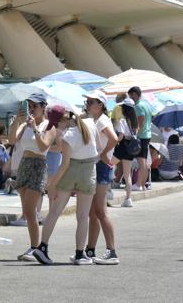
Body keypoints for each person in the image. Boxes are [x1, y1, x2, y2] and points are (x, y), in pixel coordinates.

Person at [33, 110, 99, 265]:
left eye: (56, 125)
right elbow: (99, 146)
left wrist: (52, 184)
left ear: (62, 122)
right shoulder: (90, 124)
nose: (56, 128)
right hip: (89, 169)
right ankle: (79, 254)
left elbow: (65, 164)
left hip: (70, 170)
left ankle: (42, 247)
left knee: (55, 211)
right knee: (83, 216)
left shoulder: (67, 136)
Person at [8, 93, 58, 262]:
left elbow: (44, 145)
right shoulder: (25, 125)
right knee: (27, 212)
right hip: (24, 164)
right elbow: (12, 140)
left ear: (43, 107)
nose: (32, 109)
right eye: (30, 106)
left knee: (31, 211)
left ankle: (36, 247)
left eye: (35, 106)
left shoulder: (49, 126)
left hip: (38, 166)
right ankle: (33, 247)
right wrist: (17, 121)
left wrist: (35, 128)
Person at [84, 90, 120, 265]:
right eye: (88, 101)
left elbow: (114, 139)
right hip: (97, 165)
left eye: (92, 101)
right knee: (93, 212)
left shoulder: (103, 120)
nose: (88, 104)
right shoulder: (95, 120)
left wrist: (103, 154)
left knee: (100, 211)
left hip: (101, 166)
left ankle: (111, 251)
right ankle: (90, 249)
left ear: (101, 105)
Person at [111, 98, 138, 207]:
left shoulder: (122, 121)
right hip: (131, 149)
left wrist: (114, 141)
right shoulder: (134, 122)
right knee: (127, 175)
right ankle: (128, 199)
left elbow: (121, 137)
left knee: (107, 164)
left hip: (122, 147)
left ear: (124, 109)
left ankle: (107, 191)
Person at [127, 86, 153, 191]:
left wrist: (136, 134)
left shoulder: (138, 106)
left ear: (134, 94)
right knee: (144, 162)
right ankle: (142, 184)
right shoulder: (146, 105)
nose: (130, 98)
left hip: (141, 136)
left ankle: (138, 184)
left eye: (130, 96)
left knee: (141, 161)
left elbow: (141, 120)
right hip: (147, 135)